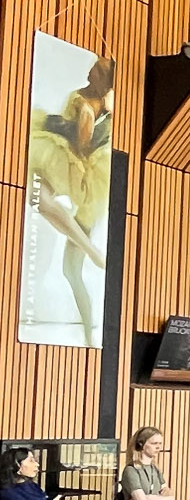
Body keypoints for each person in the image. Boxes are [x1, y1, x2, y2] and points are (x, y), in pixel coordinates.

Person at [27, 54, 114, 347]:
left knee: (70, 269)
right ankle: (90, 339)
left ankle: (91, 338)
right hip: (87, 180)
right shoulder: (102, 102)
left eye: (96, 70)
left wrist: (59, 126)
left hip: (86, 180)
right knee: (38, 197)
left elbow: (82, 146)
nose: (90, 71)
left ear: (103, 79)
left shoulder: (87, 105)